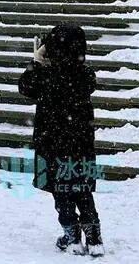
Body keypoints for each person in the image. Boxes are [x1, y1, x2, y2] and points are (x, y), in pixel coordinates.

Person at [18, 24, 105, 257]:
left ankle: (72, 237)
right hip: (80, 145)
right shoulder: (85, 75)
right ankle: (94, 238)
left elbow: (24, 86)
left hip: (53, 144)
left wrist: (36, 60)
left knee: (62, 191)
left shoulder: (47, 77)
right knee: (83, 190)